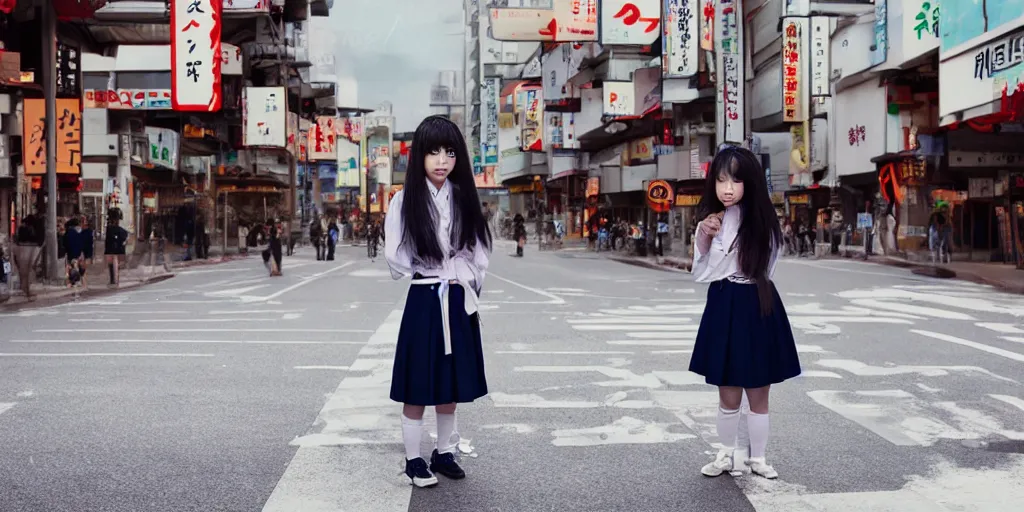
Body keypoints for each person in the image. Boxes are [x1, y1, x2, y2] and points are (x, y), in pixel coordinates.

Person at [384, 116, 493, 488]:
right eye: (433, 152)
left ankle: (443, 452)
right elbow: (396, 258)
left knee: (450, 385)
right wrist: (431, 260)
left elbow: (479, 251)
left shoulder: (463, 198)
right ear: (419, 157)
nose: (442, 160)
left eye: (449, 152)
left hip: (457, 297)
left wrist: (462, 274)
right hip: (425, 297)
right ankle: (414, 460)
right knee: (417, 385)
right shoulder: (403, 200)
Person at [689, 146, 801, 480]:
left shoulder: (764, 223)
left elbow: (763, 268)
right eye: (721, 180)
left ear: (749, 182)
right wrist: (704, 237)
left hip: (756, 301)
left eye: (735, 181)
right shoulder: (712, 222)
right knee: (727, 387)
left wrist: (726, 244)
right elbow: (702, 273)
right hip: (725, 302)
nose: (727, 188)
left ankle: (759, 458)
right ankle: (725, 454)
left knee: (758, 389)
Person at [105, 210, 129, 287]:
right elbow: (124, 238)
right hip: (118, 248)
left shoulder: (109, 229)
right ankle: (116, 279)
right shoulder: (122, 230)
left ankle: (113, 280)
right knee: (116, 264)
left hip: (111, 248)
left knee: (112, 264)